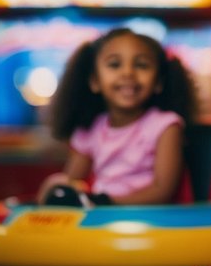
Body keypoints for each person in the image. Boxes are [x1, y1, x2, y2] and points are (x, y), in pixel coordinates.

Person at [36, 27, 197, 207]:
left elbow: (162, 190)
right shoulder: (93, 127)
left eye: (141, 65)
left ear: (159, 82)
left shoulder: (165, 126)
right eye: (114, 64)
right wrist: (59, 188)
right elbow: (72, 179)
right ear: (94, 81)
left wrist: (105, 202)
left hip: (147, 220)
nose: (127, 73)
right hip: (102, 217)